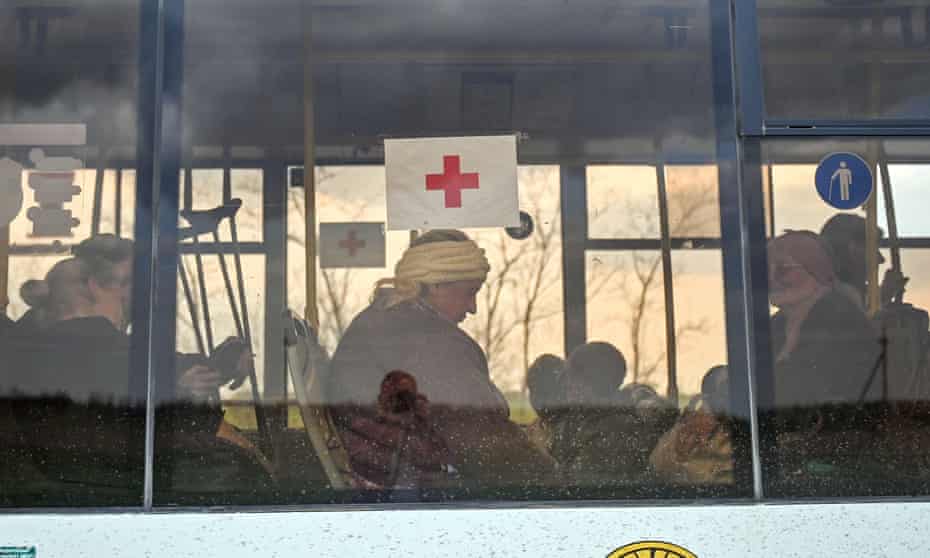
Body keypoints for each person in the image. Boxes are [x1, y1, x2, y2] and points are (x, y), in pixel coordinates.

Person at [327, 229, 555, 489]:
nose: (473, 307)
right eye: (470, 292)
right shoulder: (423, 336)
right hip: (415, 490)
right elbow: (478, 437)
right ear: (435, 284)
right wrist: (553, 478)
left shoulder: (386, 323)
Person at [549, 341, 672, 484]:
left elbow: (578, 485)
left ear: (595, 383)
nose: (567, 385)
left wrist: (542, 463)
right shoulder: (576, 420)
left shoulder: (617, 430)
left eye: (574, 378)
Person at [650, 365, 733, 485]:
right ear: (708, 397)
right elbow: (658, 465)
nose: (734, 391)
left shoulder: (746, 425)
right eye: (725, 387)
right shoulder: (689, 432)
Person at [524, 353, 565, 453]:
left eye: (543, 392)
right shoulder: (533, 430)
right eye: (532, 390)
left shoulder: (572, 430)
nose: (534, 399)